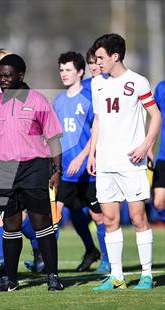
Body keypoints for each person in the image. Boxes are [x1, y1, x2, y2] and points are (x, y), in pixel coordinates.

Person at [0, 54, 64, 291]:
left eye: (7, 76)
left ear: (20, 76)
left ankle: (53, 277)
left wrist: (56, 169)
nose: (3, 80)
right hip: (3, 170)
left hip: (34, 167)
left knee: (41, 223)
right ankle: (11, 280)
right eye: (0, 76)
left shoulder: (38, 100)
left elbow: (54, 138)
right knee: (10, 224)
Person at [87, 33, 161, 290]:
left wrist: (145, 146)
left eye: (100, 57)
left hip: (131, 162)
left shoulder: (138, 82)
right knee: (109, 220)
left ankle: (147, 275)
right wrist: (91, 153)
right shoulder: (96, 83)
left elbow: (155, 116)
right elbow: (98, 120)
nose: (97, 62)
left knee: (139, 218)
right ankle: (117, 277)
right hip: (106, 163)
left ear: (115, 56)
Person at [0, 49, 43, 278]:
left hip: (24, 163)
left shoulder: (25, 95)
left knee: (24, 215)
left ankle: (38, 245)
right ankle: (6, 263)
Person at [53, 51, 110, 273]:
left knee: (97, 215)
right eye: (61, 70)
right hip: (66, 172)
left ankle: (106, 259)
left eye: (68, 70)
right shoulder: (57, 101)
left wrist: (83, 156)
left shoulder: (89, 97)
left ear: (80, 72)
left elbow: (97, 130)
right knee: (55, 216)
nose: (64, 74)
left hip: (88, 169)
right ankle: (46, 260)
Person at [151, 80, 165, 222]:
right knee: (158, 202)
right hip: (163, 156)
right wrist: (150, 148)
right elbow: (156, 119)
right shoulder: (161, 88)